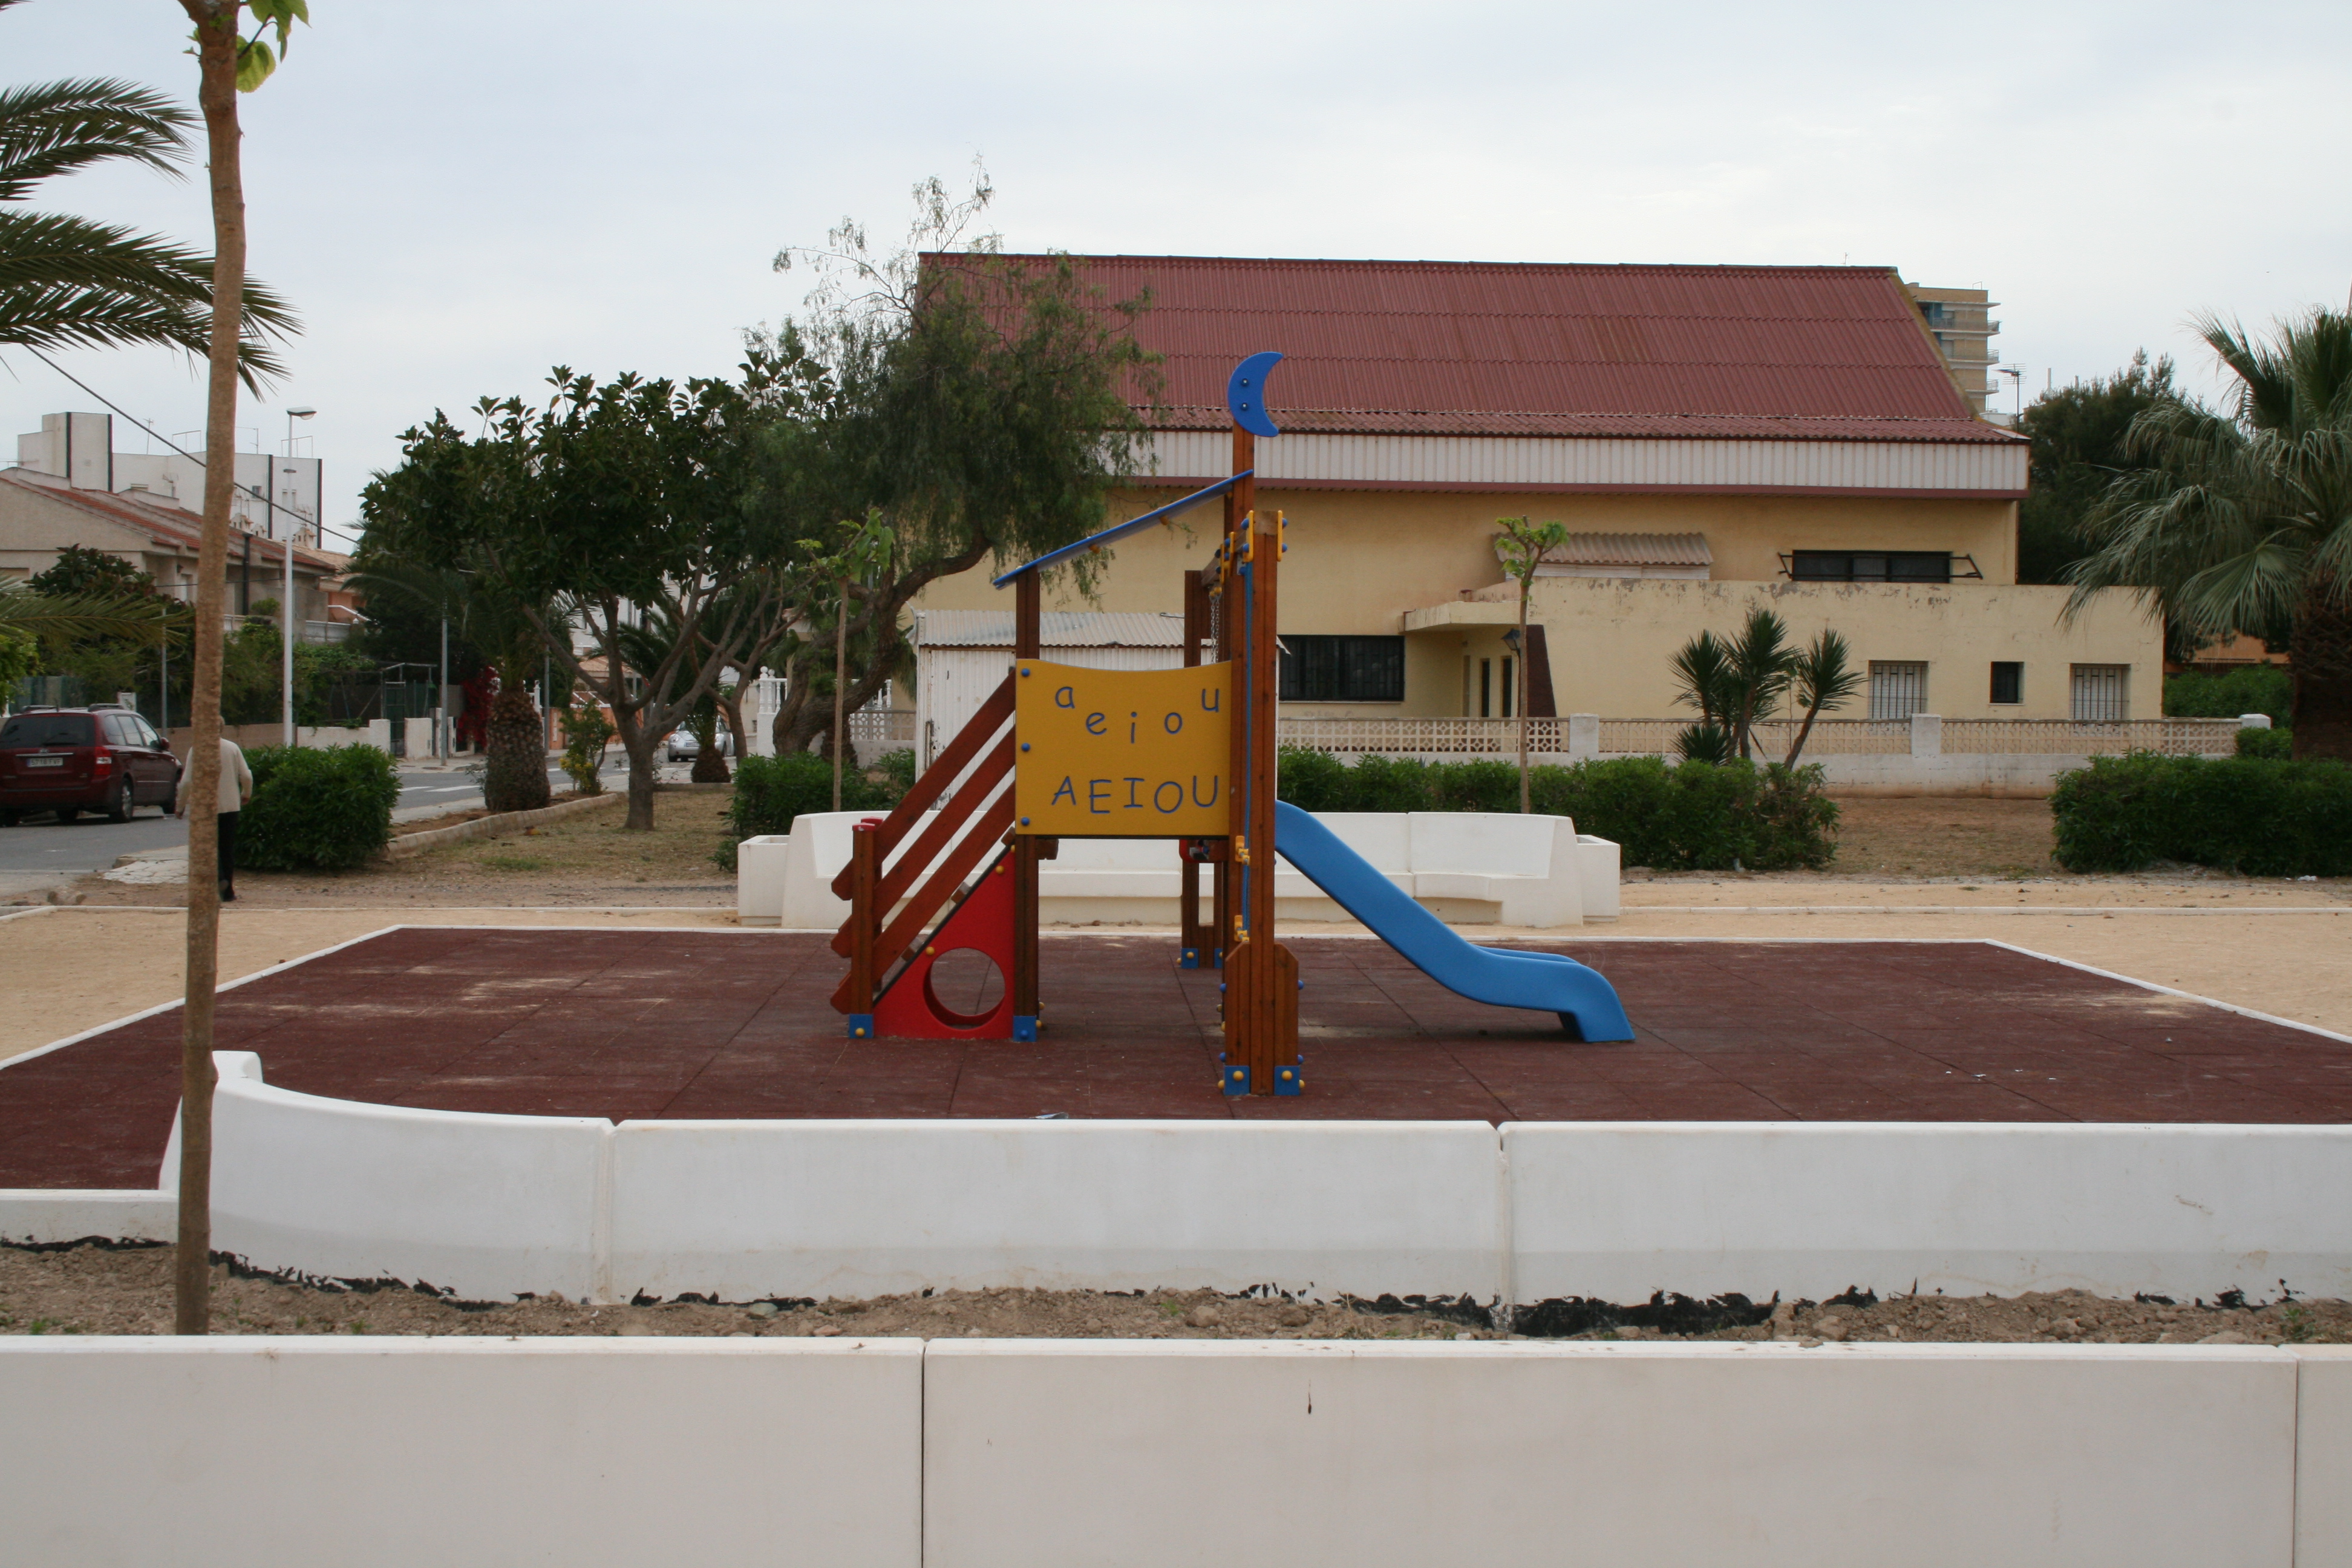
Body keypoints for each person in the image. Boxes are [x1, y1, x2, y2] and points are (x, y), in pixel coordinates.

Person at [175, 736, 255, 903]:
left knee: (209, 847)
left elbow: (187, 782)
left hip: (205, 807)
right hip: (230, 805)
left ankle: (218, 880)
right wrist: (246, 794)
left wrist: (180, 806)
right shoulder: (232, 748)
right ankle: (228, 891)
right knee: (227, 848)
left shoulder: (196, 749)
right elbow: (246, 776)